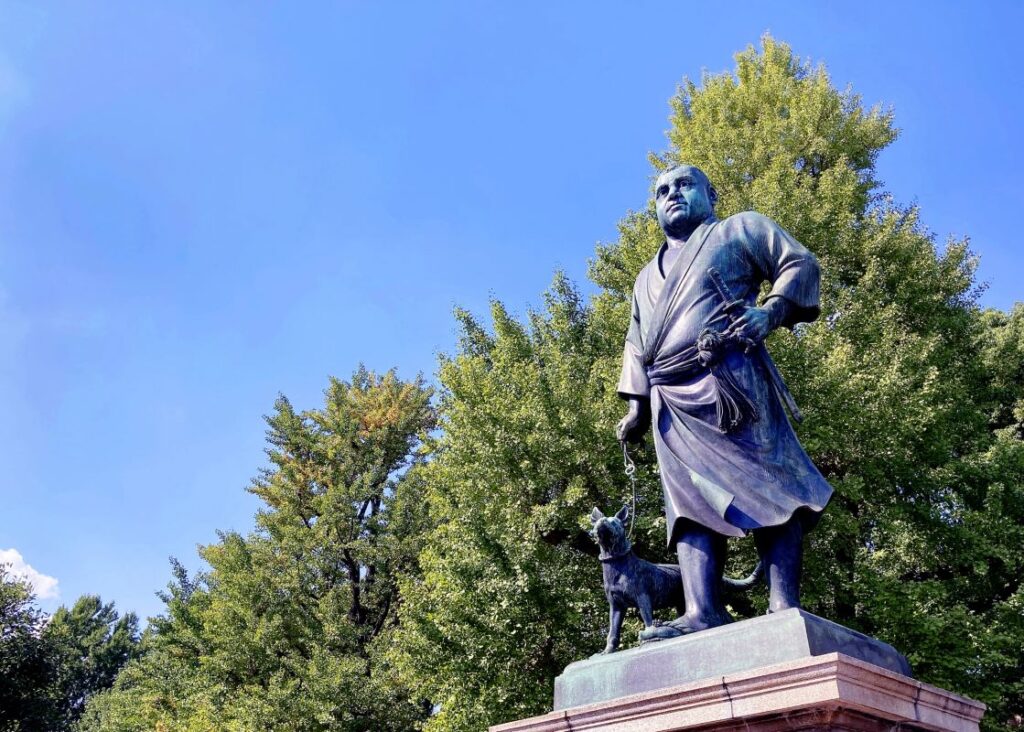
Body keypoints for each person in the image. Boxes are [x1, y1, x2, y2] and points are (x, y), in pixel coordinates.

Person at [616, 163, 833, 635]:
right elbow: (637, 341)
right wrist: (636, 403)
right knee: (687, 504)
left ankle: (783, 605)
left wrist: (770, 312)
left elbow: (800, 264)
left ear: (710, 194)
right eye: (661, 191)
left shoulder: (740, 230)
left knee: (770, 484)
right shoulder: (642, 279)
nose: (672, 194)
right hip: (670, 401)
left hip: (731, 380)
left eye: (684, 185)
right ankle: (702, 611)